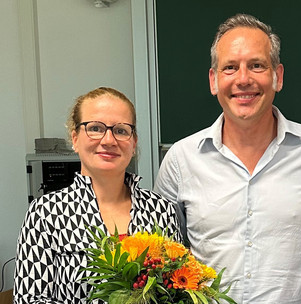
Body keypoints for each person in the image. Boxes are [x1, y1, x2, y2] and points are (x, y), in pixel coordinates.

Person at [154, 13, 301, 303]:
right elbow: (165, 263)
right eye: (230, 68)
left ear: (277, 76)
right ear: (213, 80)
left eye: (257, 66)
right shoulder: (181, 160)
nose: (243, 80)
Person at [14, 87, 181, 303]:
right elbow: (30, 299)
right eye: (95, 128)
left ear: (134, 143)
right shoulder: (46, 214)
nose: (109, 140)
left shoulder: (161, 210)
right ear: (75, 139)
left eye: (121, 130)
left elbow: (177, 292)